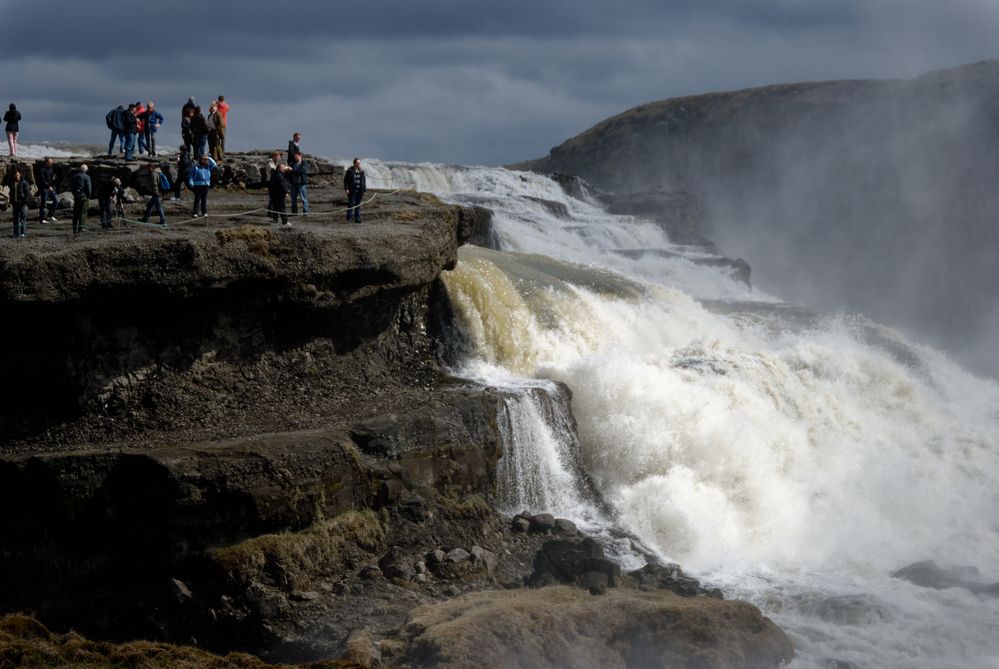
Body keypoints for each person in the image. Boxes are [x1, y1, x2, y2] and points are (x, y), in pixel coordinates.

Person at [36, 158, 59, 223]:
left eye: (51, 162)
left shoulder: (51, 169)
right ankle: (42, 218)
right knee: (43, 204)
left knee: (56, 201)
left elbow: (51, 179)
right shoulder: (41, 169)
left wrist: (53, 185)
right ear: (46, 162)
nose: (51, 164)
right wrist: (48, 186)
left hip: (51, 188)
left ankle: (50, 215)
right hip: (44, 188)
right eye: (50, 162)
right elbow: (42, 180)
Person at [344, 158, 366, 223]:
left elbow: (363, 181)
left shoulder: (362, 171)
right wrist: (346, 189)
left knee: (358, 205)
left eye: (359, 163)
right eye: (357, 163)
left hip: (359, 191)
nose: (358, 164)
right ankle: (349, 217)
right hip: (352, 190)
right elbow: (346, 181)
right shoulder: (350, 170)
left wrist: (364, 190)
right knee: (351, 204)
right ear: (354, 163)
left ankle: (357, 218)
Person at [268, 162, 291, 226]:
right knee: (282, 208)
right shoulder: (279, 175)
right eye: (282, 168)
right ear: (279, 168)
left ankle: (275, 219)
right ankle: (285, 222)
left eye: (284, 167)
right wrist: (286, 192)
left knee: (275, 207)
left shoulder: (274, 174)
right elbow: (282, 185)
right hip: (279, 194)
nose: (284, 169)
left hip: (273, 193)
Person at [71, 164, 92, 234]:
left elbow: (72, 187)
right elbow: (89, 188)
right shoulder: (87, 177)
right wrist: (88, 196)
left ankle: (74, 228)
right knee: (83, 213)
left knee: (75, 213)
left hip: (77, 196)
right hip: (84, 197)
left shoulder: (74, 177)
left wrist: (74, 194)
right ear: (86, 170)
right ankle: (81, 227)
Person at [10, 169, 29, 237]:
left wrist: (24, 201)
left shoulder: (24, 182)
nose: (17, 176)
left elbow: (27, 193)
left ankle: (23, 232)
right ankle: (16, 233)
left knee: (22, 217)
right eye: (15, 175)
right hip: (15, 203)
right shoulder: (12, 182)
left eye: (18, 175)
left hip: (22, 202)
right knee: (15, 218)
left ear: (20, 175)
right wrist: (11, 201)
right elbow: (11, 193)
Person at [290, 152, 308, 216]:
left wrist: (292, 170)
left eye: (296, 156)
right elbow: (290, 173)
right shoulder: (293, 163)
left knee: (303, 199)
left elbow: (301, 171)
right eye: (295, 157)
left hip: (301, 184)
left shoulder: (304, 163)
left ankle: (305, 212)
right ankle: (294, 213)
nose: (295, 158)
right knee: (293, 199)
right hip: (293, 183)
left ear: (300, 156)